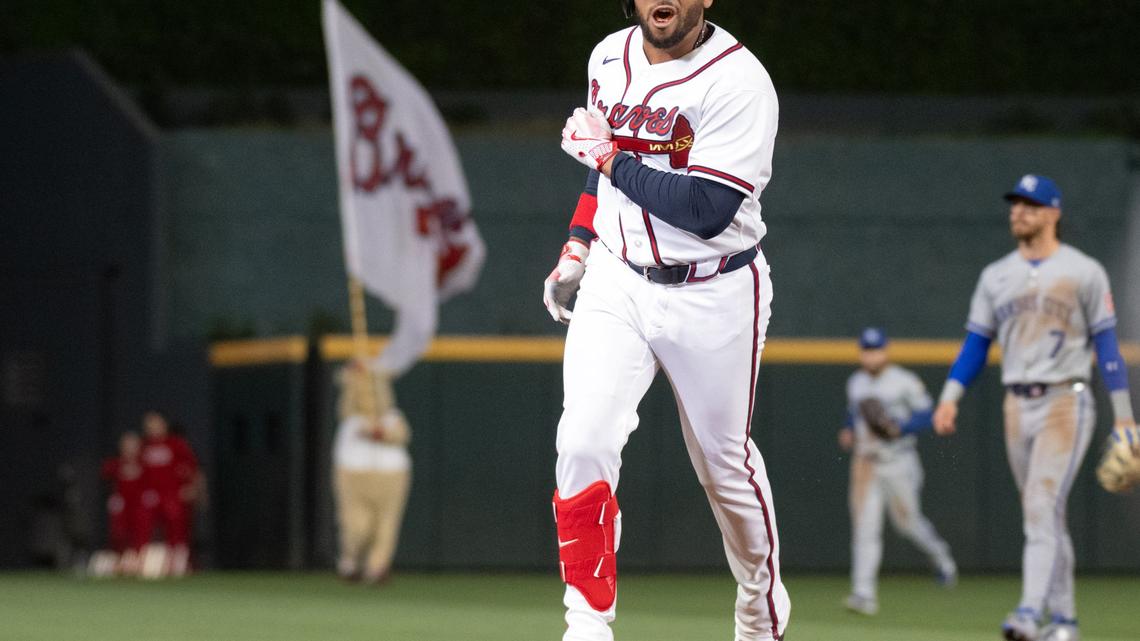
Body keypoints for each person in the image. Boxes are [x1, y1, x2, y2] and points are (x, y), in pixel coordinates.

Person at [544, 1, 788, 638]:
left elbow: (707, 207)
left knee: (723, 466)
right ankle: (587, 623)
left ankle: (761, 609)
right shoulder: (607, 55)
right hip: (617, 277)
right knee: (583, 440)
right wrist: (578, 239)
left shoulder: (739, 80)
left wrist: (609, 160)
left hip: (715, 286)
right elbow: (608, 178)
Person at [932, 174, 1136, 641]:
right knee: (1045, 514)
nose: (1018, 211)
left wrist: (1124, 417)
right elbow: (975, 345)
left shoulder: (1083, 271)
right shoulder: (995, 276)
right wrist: (950, 396)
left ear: (1053, 213)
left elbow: (1107, 345)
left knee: (1042, 505)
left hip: (1067, 400)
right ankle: (1064, 623)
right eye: (1015, 204)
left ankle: (1028, 613)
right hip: (1015, 405)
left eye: (1029, 204)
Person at [839, 328, 956, 616]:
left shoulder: (903, 381)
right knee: (865, 528)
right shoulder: (856, 382)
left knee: (908, 524)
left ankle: (941, 557)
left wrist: (900, 427)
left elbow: (928, 413)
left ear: (885, 351)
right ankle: (863, 593)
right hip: (865, 461)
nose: (871, 355)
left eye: (876, 349)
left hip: (898, 461)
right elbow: (854, 413)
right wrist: (848, 429)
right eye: (866, 350)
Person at [332, 360, 411, 585]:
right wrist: (354, 375)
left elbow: (400, 435)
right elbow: (344, 388)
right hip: (355, 476)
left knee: (386, 526)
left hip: (392, 476)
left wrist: (381, 433)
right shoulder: (350, 419)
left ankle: (377, 567)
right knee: (356, 526)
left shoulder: (393, 417)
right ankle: (351, 561)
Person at [138, 410, 199, 577]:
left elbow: (192, 467)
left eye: (156, 423)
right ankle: (145, 562)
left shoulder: (176, 444)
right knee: (143, 526)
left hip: (172, 494)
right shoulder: (143, 446)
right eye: (149, 424)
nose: (152, 427)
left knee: (177, 528)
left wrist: (192, 487)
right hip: (151, 496)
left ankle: (179, 562)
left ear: (164, 424)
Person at [99, 432, 145, 567]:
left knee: (139, 532)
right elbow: (105, 475)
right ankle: (118, 562)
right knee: (118, 533)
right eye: (127, 445)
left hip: (138, 505)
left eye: (133, 445)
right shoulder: (115, 464)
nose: (130, 448)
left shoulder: (144, 464)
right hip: (122, 505)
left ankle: (136, 562)